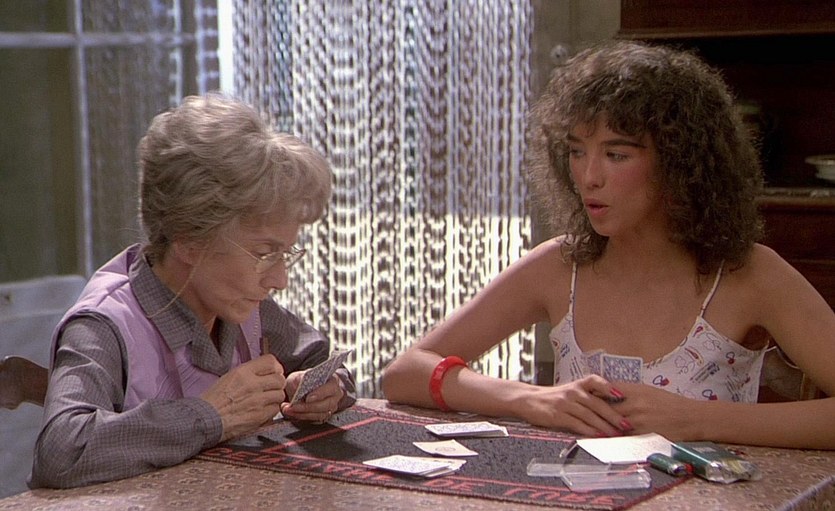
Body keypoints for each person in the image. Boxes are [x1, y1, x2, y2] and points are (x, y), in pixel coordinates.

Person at [382, 40, 835, 449]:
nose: (589, 176)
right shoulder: (560, 265)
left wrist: (697, 419)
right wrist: (530, 399)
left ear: (682, 161)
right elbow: (405, 373)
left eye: (616, 154)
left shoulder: (749, 274)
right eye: (577, 151)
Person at [29, 94, 356, 488]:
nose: (280, 279)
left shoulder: (243, 305)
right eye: (264, 253)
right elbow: (62, 451)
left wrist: (326, 390)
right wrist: (210, 416)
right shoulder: (104, 325)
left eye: (285, 253)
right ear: (188, 240)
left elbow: (322, 360)